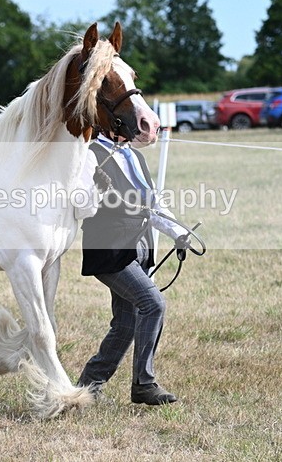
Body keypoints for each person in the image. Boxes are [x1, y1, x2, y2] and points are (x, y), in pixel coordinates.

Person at [75, 130, 189, 406]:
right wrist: (95, 189)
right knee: (153, 303)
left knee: (126, 323)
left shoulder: (135, 156)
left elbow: (152, 205)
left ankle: (87, 387)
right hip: (110, 249)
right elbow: (79, 205)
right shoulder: (89, 155)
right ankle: (144, 383)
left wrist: (178, 232)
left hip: (139, 246)